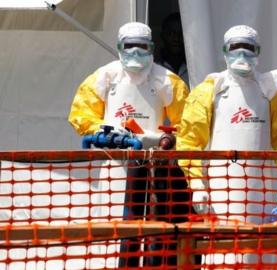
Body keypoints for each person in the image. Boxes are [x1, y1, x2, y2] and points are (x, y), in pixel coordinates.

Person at [68, 22, 189, 267]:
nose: (135, 52)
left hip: (155, 164)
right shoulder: (105, 76)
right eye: (129, 46)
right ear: (119, 47)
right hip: (116, 164)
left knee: (155, 229)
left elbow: (187, 121)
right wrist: (104, 134)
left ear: (152, 47)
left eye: (142, 47)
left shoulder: (167, 80)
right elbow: (81, 114)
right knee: (115, 227)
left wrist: (164, 138)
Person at [177, 25, 277, 267]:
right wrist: (197, 184)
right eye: (235, 48)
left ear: (258, 52)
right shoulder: (209, 91)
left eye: (249, 49)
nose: (242, 55)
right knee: (223, 251)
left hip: (262, 189)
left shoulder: (272, 93)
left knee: (261, 250)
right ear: (225, 51)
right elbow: (190, 141)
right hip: (222, 189)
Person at [153, 12, 189, 86]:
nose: (176, 38)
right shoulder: (153, 66)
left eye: (181, 34)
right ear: (162, 36)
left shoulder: (194, 66)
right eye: (171, 33)